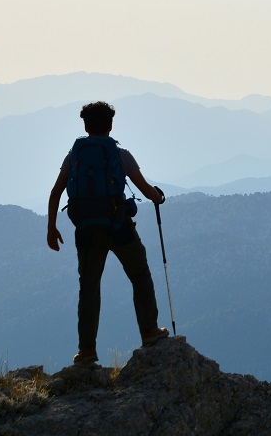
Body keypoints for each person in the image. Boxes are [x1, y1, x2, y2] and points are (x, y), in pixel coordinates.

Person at [46, 101, 169, 367]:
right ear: (110, 125)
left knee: (89, 289)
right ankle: (149, 332)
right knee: (140, 275)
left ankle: (87, 352)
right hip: (118, 225)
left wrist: (51, 228)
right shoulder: (120, 153)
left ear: (86, 126)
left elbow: (56, 192)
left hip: (87, 230)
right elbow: (146, 190)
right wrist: (158, 197)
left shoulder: (74, 154)